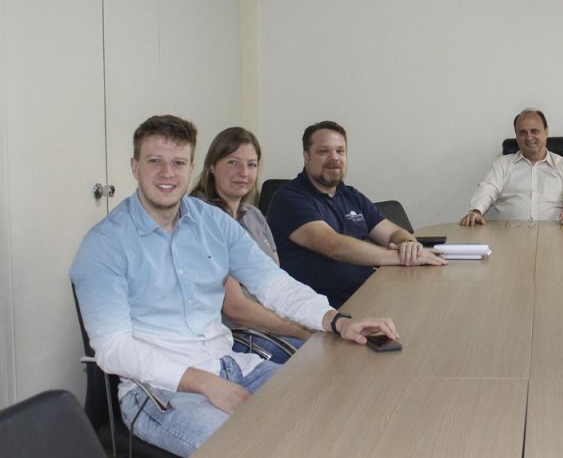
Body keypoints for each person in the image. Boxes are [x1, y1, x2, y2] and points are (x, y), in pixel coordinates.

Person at [70, 115, 398, 456]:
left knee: (337, 409)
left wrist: (336, 320)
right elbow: (113, 348)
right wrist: (204, 383)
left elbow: (274, 285)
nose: (167, 173)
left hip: (230, 364)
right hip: (159, 391)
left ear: (191, 167)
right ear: (135, 167)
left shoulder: (212, 222)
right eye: (155, 161)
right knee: (253, 448)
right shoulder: (104, 244)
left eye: (178, 163)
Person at [268, 120, 446, 307]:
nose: (334, 158)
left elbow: (392, 232)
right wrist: (399, 257)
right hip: (324, 309)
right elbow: (333, 246)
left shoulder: (351, 196)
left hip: (369, 294)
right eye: (323, 151)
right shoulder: (289, 198)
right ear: (306, 157)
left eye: (340, 151)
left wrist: (407, 244)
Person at [191, 126, 310, 363]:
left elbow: (276, 283)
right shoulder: (201, 219)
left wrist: (311, 318)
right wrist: (303, 331)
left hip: (269, 324)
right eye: (232, 162)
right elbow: (236, 309)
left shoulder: (254, 216)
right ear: (212, 166)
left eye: (251, 164)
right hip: (236, 336)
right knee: (318, 356)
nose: (243, 173)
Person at [459, 108, 563, 226]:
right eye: (523, 132)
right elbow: (488, 188)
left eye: (534, 131)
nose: (529, 137)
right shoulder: (502, 164)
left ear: (546, 132)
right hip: (508, 236)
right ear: (516, 136)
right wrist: (476, 211)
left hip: (554, 235)